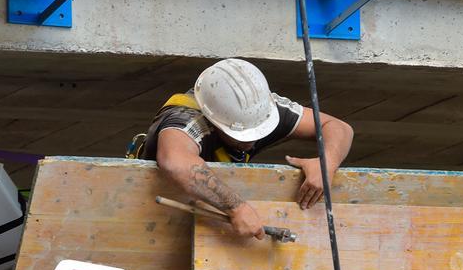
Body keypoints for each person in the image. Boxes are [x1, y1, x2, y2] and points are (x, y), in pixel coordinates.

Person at [129, 58, 354, 240]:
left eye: (258, 131)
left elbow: (339, 127)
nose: (251, 142)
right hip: (150, 225)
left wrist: (327, 162)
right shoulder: (185, 119)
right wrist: (236, 207)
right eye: (242, 135)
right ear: (214, 120)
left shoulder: (262, 109)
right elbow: (175, 162)